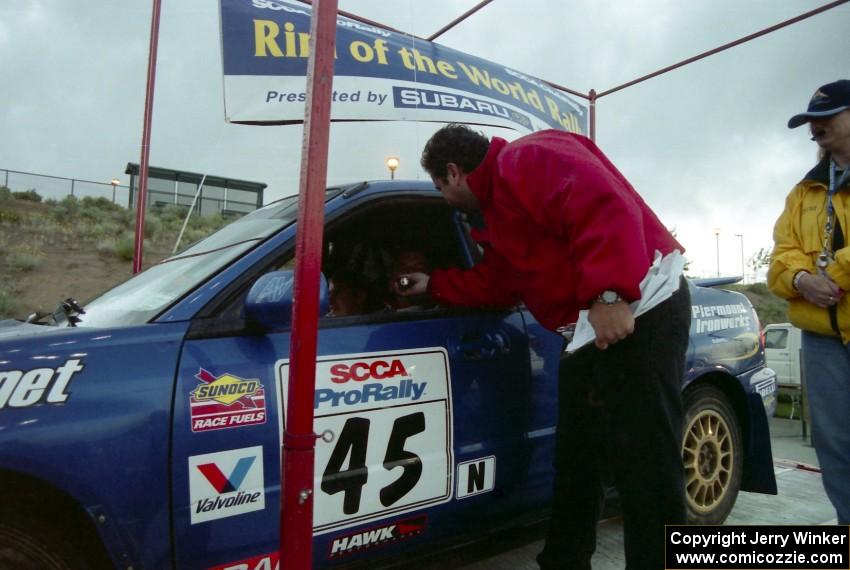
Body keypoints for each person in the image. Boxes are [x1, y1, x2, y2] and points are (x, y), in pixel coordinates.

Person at [397, 124, 691, 569]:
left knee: (645, 462)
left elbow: (603, 205)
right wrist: (433, 284)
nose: (444, 198)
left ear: (454, 173)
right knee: (576, 457)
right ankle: (563, 561)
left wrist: (609, 294)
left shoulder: (525, 158)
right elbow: (498, 283)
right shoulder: (495, 215)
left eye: (440, 187)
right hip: (590, 330)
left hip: (641, 310)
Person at [768, 79, 850, 525]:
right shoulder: (804, 191)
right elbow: (781, 256)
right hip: (822, 339)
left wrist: (831, 276)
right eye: (810, 123)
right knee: (833, 444)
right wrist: (801, 279)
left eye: (828, 117)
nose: (816, 128)